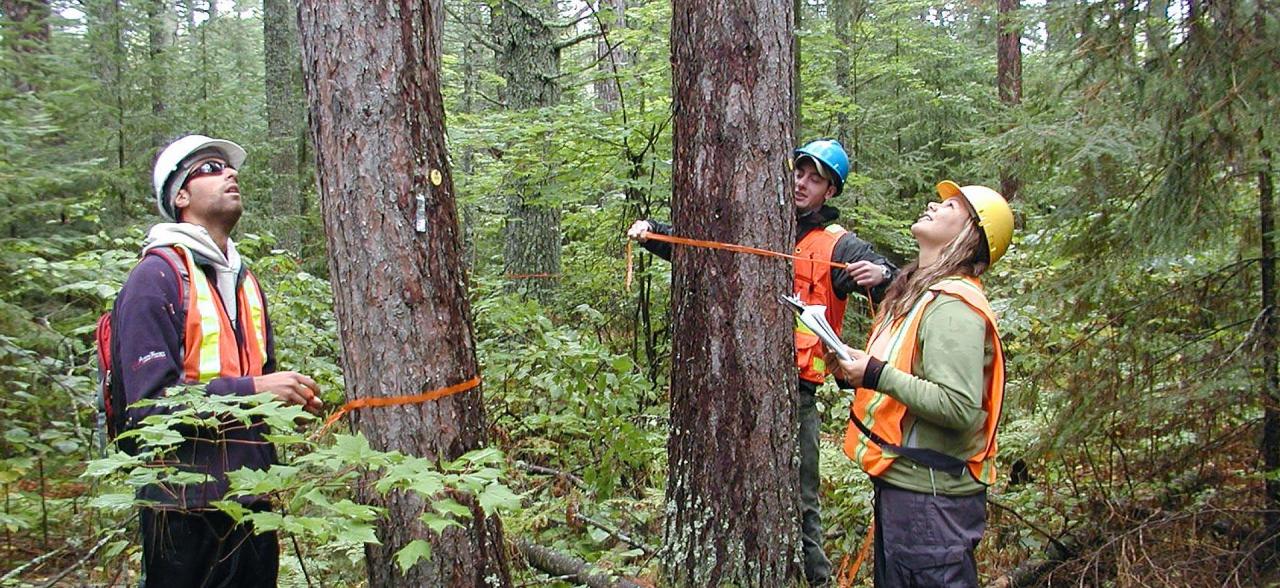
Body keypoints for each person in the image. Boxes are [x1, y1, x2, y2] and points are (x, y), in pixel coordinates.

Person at [627, 139, 897, 586]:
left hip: (797, 394)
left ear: (830, 191)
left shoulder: (839, 246)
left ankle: (817, 581)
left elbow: (889, 271)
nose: (801, 184)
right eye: (799, 172)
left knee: (802, 499)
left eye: (815, 179)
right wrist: (654, 231)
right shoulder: (759, 221)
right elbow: (703, 250)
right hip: (732, 380)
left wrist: (883, 273)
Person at [112, 134, 323, 586]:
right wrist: (255, 391)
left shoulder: (245, 281)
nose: (229, 174)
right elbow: (146, 410)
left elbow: (257, 382)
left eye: (229, 168)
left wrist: (285, 401)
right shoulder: (155, 279)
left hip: (253, 505)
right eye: (210, 168)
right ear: (181, 196)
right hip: (182, 510)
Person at [827, 181, 1013, 587]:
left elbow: (960, 408)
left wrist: (875, 373)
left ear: (969, 234)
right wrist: (854, 370)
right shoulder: (920, 295)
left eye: (949, 206)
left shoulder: (952, 306)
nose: (933, 204)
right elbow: (901, 374)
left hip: (931, 499)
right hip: (910, 488)